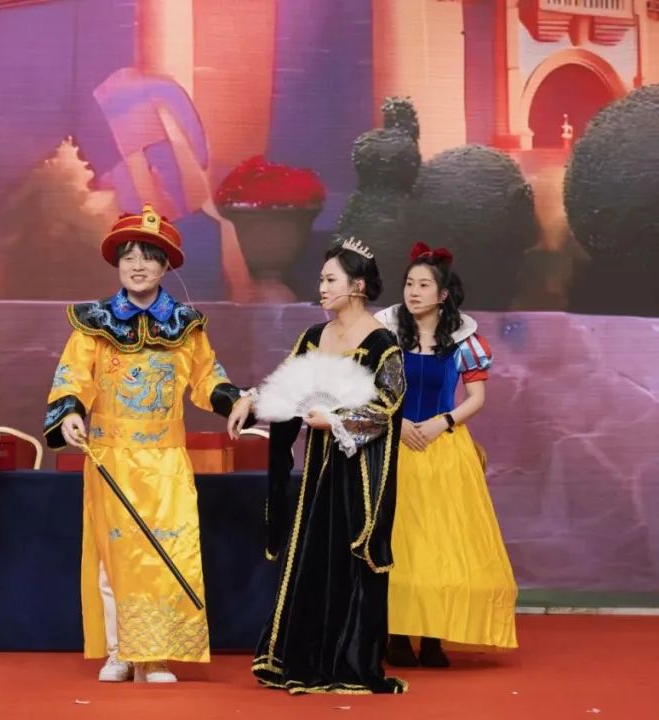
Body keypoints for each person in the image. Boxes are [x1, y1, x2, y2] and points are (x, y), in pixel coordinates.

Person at [44, 203, 249, 683]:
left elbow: (206, 378)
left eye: (149, 257)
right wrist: (69, 412)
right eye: (129, 256)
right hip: (111, 455)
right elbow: (72, 377)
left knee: (166, 552)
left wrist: (234, 400)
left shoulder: (185, 325)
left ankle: (155, 655)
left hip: (165, 460)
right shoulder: (95, 323)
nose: (137, 265)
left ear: (165, 265)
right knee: (114, 553)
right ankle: (120, 650)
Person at [229, 238, 407, 695]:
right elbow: (286, 386)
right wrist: (251, 399)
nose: (322, 287)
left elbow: (387, 405)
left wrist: (339, 419)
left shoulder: (382, 343)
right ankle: (300, 658)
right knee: (311, 553)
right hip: (318, 470)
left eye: (331, 279)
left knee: (350, 556)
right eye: (322, 279)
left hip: (358, 472)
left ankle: (349, 662)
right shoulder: (313, 336)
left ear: (358, 286)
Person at [375, 242, 518, 667]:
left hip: (443, 448)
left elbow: (477, 398)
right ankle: (396, 635)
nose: (413, 292)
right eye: (409, 283)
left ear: (442, 295)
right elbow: (369, 389)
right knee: (398, 541)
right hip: (396, 445)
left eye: (424, 285)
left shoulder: (464, 341)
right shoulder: (385, 335)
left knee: (441, 543)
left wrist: (444, 422)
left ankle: (434, 637)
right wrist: (397, 423)